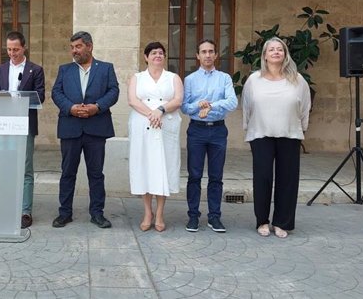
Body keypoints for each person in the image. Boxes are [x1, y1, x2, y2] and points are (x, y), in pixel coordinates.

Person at [242, 37, 310, 238]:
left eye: (280, 49)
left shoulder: (298, 80)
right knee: (262, 178)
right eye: (271, 49)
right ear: (265, 55)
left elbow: (305, 107)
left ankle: (282, 222)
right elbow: (247, 107)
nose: (276, 52)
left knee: (287, 179)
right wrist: (248, 129)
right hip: (260, 134)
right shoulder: (254, 80)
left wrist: (301, 129)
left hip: (289, 134)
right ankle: (262, 221)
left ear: (285, 54)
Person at [51, 31, 119, 229]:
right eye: (72, 47)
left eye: (78, 47)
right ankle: (65, 213)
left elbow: (113, 91)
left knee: (96, 174)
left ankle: (97, 213)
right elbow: (56, 92)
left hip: (96, 127)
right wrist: (70, 108)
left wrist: (96, 107)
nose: (74, 51)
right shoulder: (65, 70)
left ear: (89, 46)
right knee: (67, 173)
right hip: (70, 127)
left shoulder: (106, 69)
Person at [181, 39, 238, 233]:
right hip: (196, 130)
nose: (207, 55)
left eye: (211, 51)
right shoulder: (189, 80)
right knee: (194, 175)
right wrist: (199, 105)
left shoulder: (224, 78)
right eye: (203, 51)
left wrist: (211, 105)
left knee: (216, 176)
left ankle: (214, 216)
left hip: (218, 131)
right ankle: (193, 216)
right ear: (197, 55)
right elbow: (184, 106)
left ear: (216, 55)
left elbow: (232, 102)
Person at [0, 31, 45, 228]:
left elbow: (40, 96)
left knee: (25, 168)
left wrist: (17, 99)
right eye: (9, 49)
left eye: (16, 49)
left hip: (25, 124)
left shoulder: (35, 70)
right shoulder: (1, 69)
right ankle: (6, 205)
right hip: (4, 124)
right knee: (5, 166)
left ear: (24, 48)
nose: (12, 53)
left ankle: (25, 211)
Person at [127, 41, 183, 232]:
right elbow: (133, 100)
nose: (157, 56)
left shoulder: (173, 77)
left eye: (161, 53)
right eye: (153, 53)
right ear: (146, 57)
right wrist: (152, 114)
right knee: (145, 166)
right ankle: (147, 212)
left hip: (166, 123)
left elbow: (177, 100)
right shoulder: (137, 77)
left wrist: (160, 110)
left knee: (163, 167)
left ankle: (159, 213)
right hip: (143, 124)